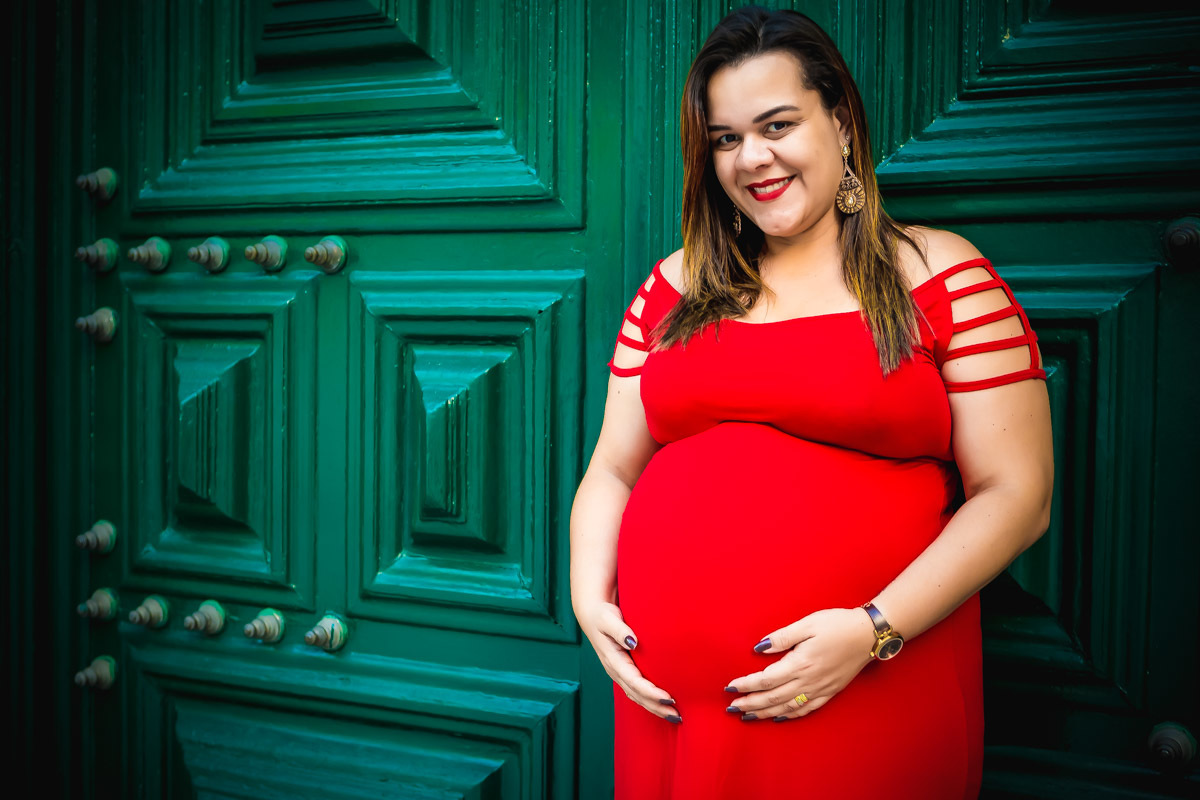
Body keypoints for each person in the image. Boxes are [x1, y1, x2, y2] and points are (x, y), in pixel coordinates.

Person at [569, 6, 1054, 799]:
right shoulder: (674, 284)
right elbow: (613, 470)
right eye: (725, 139)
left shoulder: (938, 273)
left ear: (842, 123)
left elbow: (1019, 495)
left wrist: (872, 632)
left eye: (777, 125)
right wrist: (592, 600)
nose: (751, 158)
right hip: (675, 707)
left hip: (865, 681)